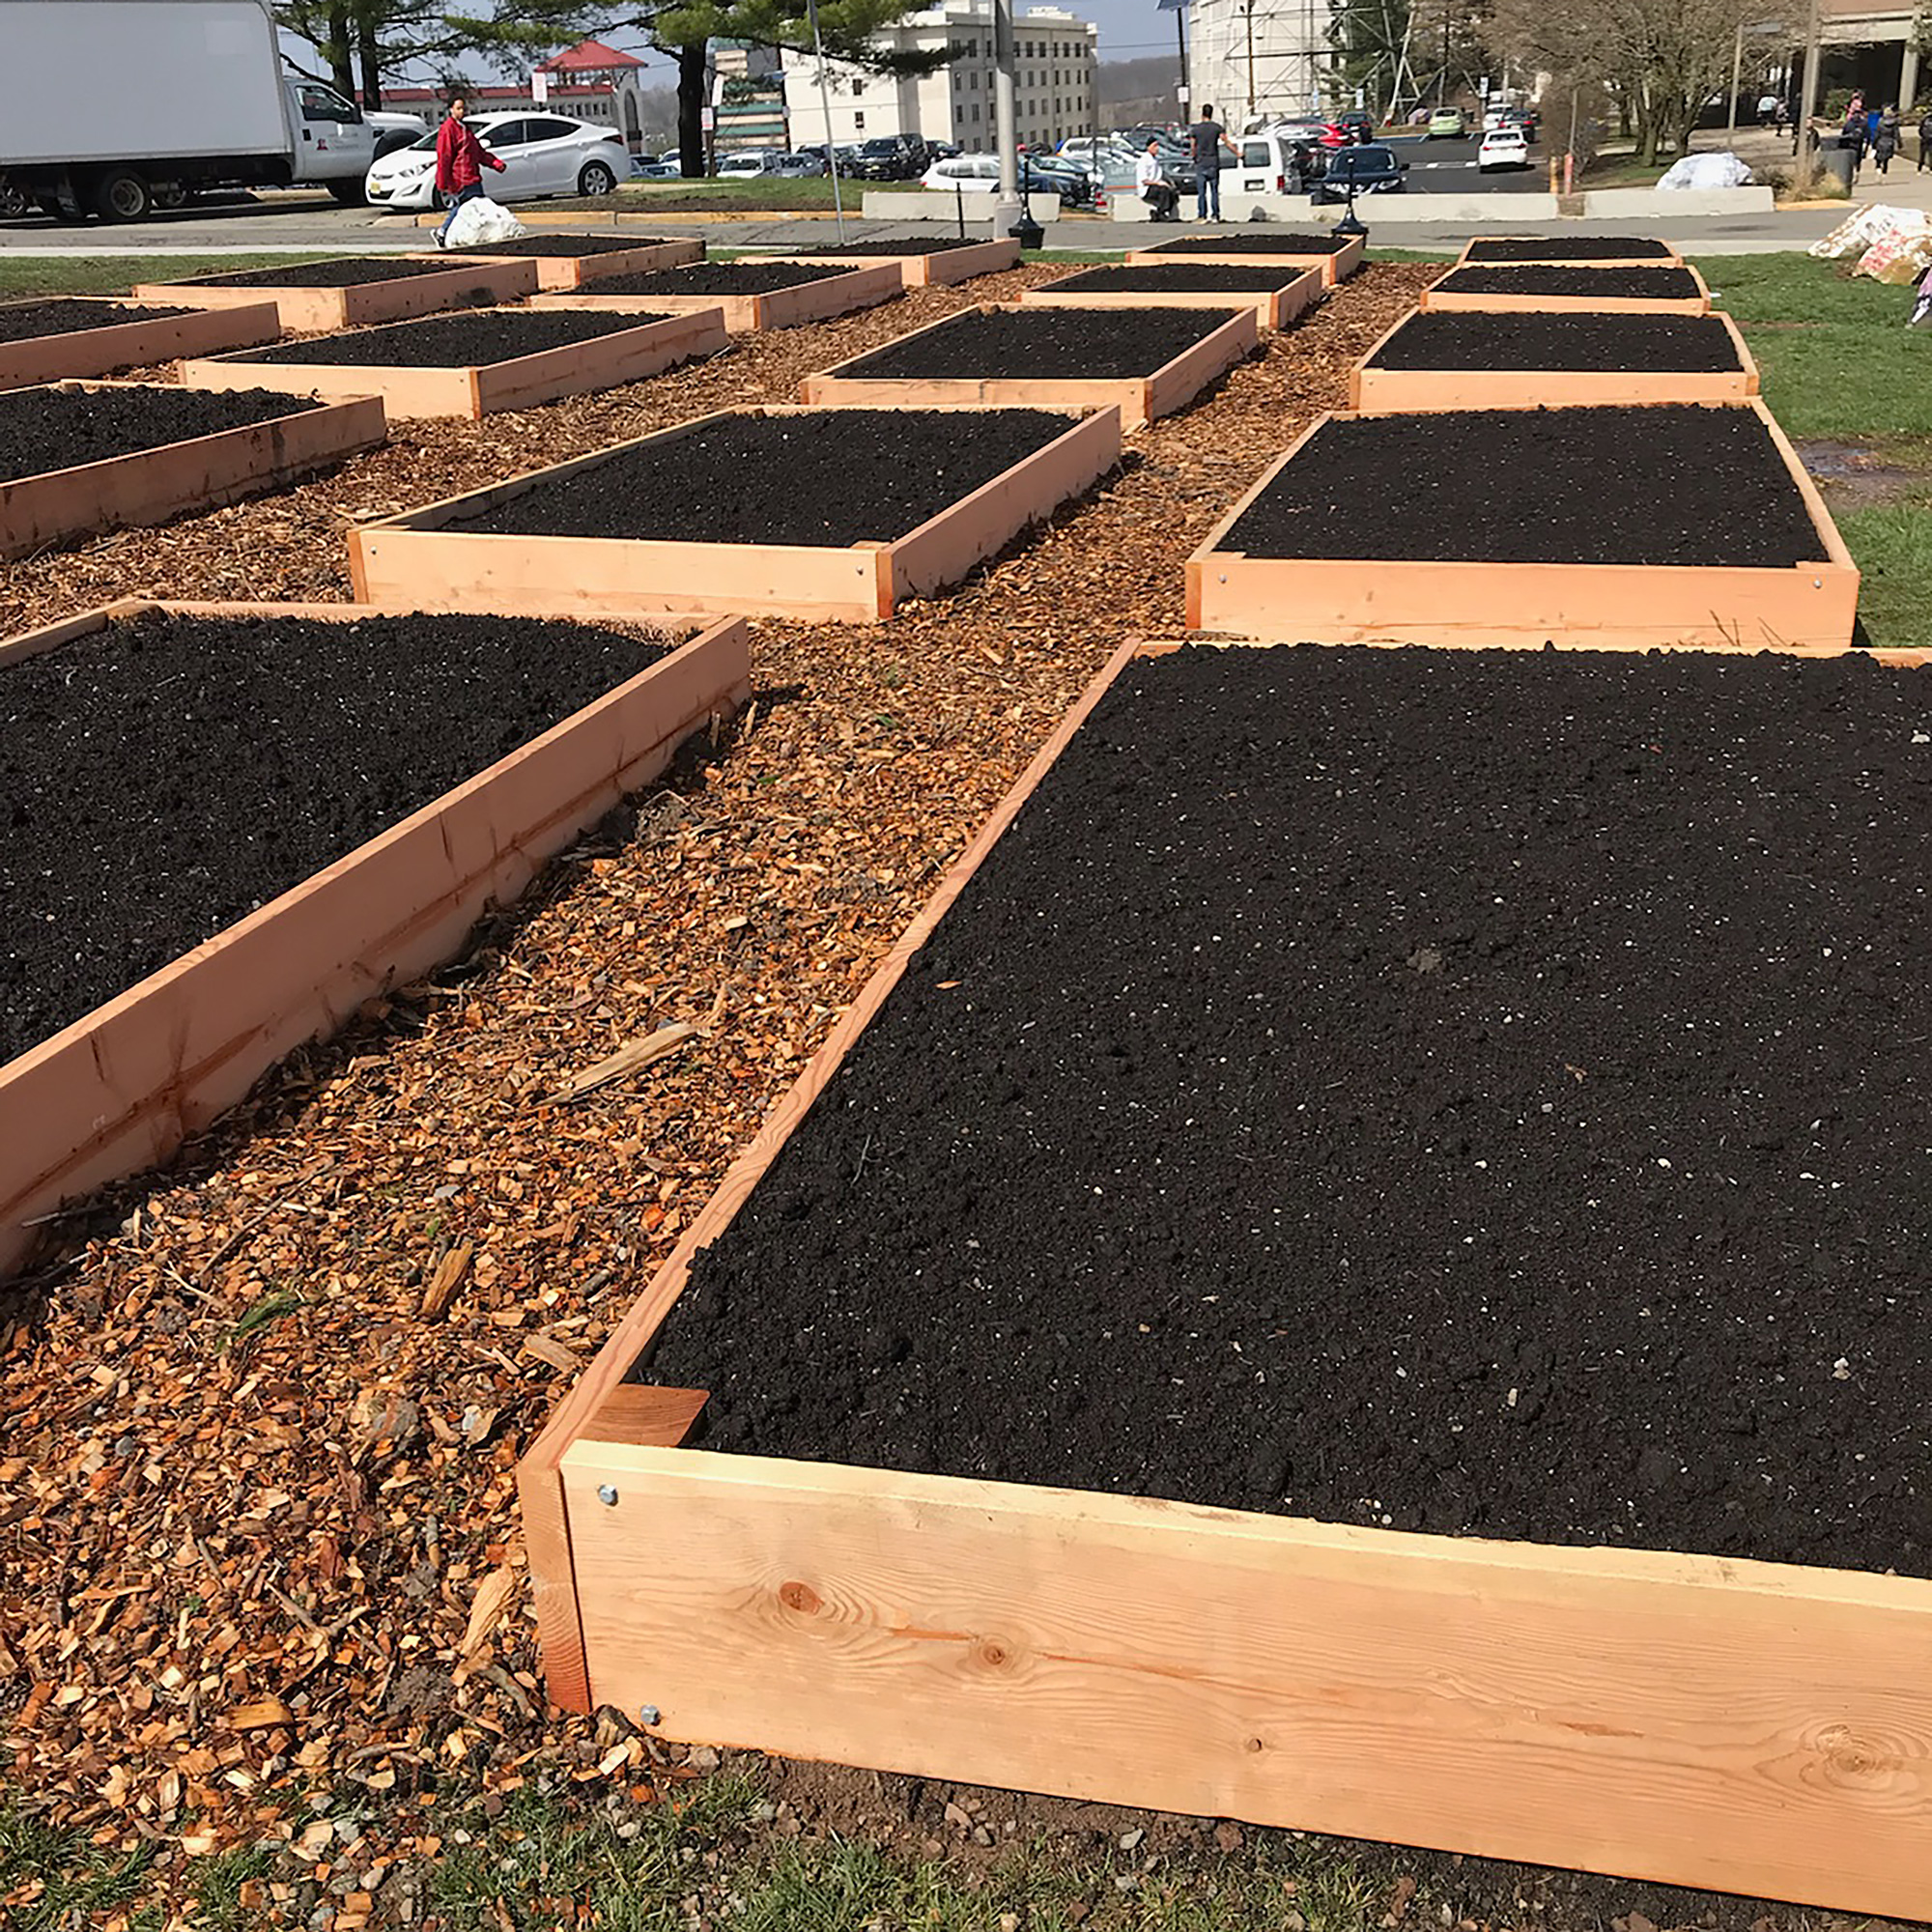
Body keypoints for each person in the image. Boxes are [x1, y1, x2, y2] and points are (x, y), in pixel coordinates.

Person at [433, 94, 505, 246]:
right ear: (451, 110)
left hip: (472, 176)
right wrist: (443, 181)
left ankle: (446, 232)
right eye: (459, 108)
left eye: (464, 108)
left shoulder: (466, 130)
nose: (462, 111)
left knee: (468, 208)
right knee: (468, 207)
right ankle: (444, 232)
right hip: (460, 179)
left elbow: (478, 153)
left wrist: (495, 163)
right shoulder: (448, 129)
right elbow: (445, 157)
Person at [1186, 103, 1236, 220]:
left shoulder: (1195, 130)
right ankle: (1215, 215)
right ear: (1211, 114)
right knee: (1214, 191)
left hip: (1201, 162)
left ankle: (1202, 215)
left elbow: (1193, 147)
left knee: (1201, 192)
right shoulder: (1216, 128)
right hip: (1213, 161)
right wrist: (1237, 153)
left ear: (1202, 114)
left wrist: (1194, 156)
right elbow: (1226, 141)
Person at [1136, 138, 1179, 221]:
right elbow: (1144, 180)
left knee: (1172, 191)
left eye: (1157, 145)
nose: (1157, 148)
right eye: (1154, 146)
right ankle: (1161, 213)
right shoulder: (1144, 160)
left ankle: (1157, 212)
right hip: (1147, 189)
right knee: (1164, 190)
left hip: (1156, 186)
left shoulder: (1155, 160)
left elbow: (1161, 174)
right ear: (1148, 147)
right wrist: (1158, 183)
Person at [1875, 104, 1900, 173]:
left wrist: (1874, 142)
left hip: (1881, 140)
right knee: (1887, 156)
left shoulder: (1880, 122)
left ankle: (1878, 165)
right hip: (1890, 141)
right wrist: (1899, 143)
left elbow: (1877, 133)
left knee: (1879, 154)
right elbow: (1896, 133)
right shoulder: (1894, 123)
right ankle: (1885, 167)